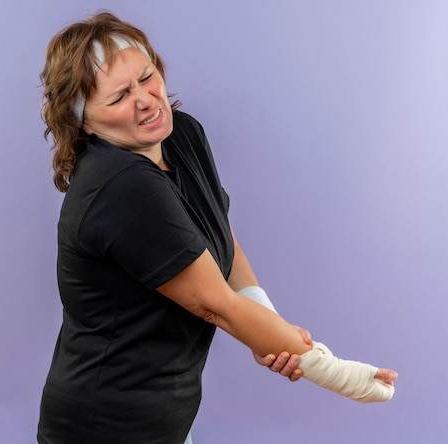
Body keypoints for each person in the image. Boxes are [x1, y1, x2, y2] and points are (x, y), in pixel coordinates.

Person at [37, 11, 397, 444]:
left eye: (147, 77)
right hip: (106, 425)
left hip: (167, 418)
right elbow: (215, 304)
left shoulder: (181, 135)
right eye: (118, 97)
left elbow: (218, 240)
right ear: (85, 122)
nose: (148, 99)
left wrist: (269, 327)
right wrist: (329, 368)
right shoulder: (120, 185)